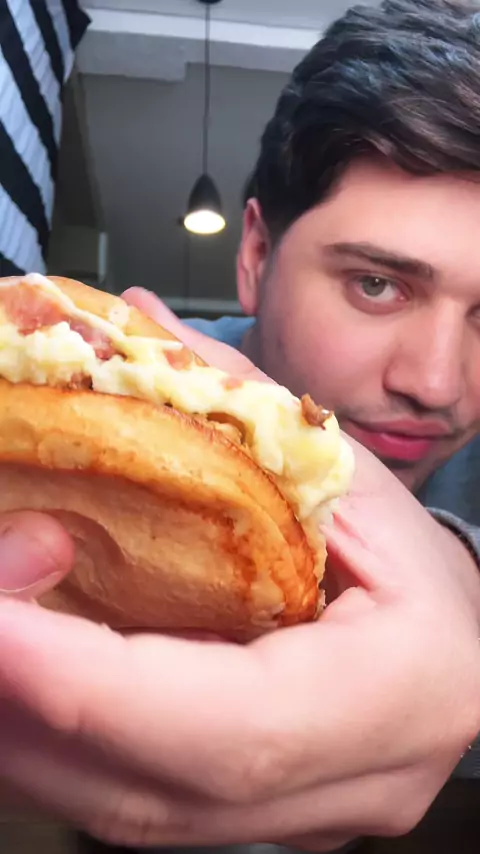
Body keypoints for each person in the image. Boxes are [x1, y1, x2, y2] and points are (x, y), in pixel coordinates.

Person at [1, 0, 480, 852]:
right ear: (256, 256)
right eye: (377, 285)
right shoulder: (130, 378)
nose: (437, 383)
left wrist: (463, 577)